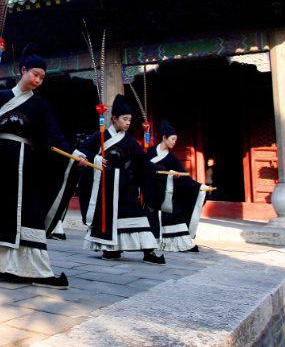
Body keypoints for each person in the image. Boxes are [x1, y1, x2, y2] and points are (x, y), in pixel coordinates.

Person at [0, 45, 86, 289]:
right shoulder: (1, 96)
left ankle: (32, 267)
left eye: (42, 77)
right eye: (35, 74)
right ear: (23, 70)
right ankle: (0, 265)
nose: (38, 80)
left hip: (23, 168)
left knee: (25, 212)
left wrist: (73, 153)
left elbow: (53, 135)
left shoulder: (40, 106)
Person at [78, 94, 165, 265]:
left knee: (137, 215)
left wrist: (159, 171)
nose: (127, 123)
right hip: (105, 186)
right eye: (124, 119)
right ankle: (111, 250)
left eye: (130, 120)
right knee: (109, 218)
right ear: (114, 119)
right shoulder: (100, 136)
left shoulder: (130, 141)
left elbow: (142, 162)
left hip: (125, 186)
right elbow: (81, 150)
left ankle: (149, 251)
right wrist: (94, 158)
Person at [147, 121, 206, 253]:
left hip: (165, 194)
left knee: (176, 209)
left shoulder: (172, 159)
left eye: (175, 140)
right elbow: (142, 168)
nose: (174, 142)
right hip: (150, 191)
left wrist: (199, 187)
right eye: (172, 139)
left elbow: (185, 177)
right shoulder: (149, 152)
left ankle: (177, 242)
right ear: (164, 137)